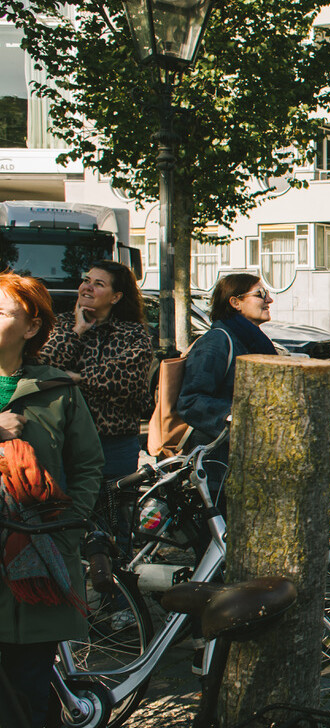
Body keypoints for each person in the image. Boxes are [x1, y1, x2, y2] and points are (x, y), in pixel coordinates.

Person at [0, 273, 104, 727]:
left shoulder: (58, 390)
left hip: (36, 559)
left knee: (28, 685)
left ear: (30, 328)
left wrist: (65, 528)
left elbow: (87, 465)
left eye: (2, 311)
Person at [41, 261, 151, 484]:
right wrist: (77, 331)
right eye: (86, 281)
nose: (87, 287)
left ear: (115, 297)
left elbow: (127, 381)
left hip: (113, 445)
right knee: (66, 512)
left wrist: (77, 378)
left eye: (98, 284)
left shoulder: (133, 333)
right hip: (64, 441)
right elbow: (44, 365)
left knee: (113, 514)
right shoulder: (59, 325)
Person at [176, 274, 278, 499]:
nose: (269, 300)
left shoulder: (253, 340)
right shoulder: (217, 341)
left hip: (245, 459)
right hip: (218, 464)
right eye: (260, 294)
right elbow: (190, 401)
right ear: (235, 302)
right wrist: (237, 417)